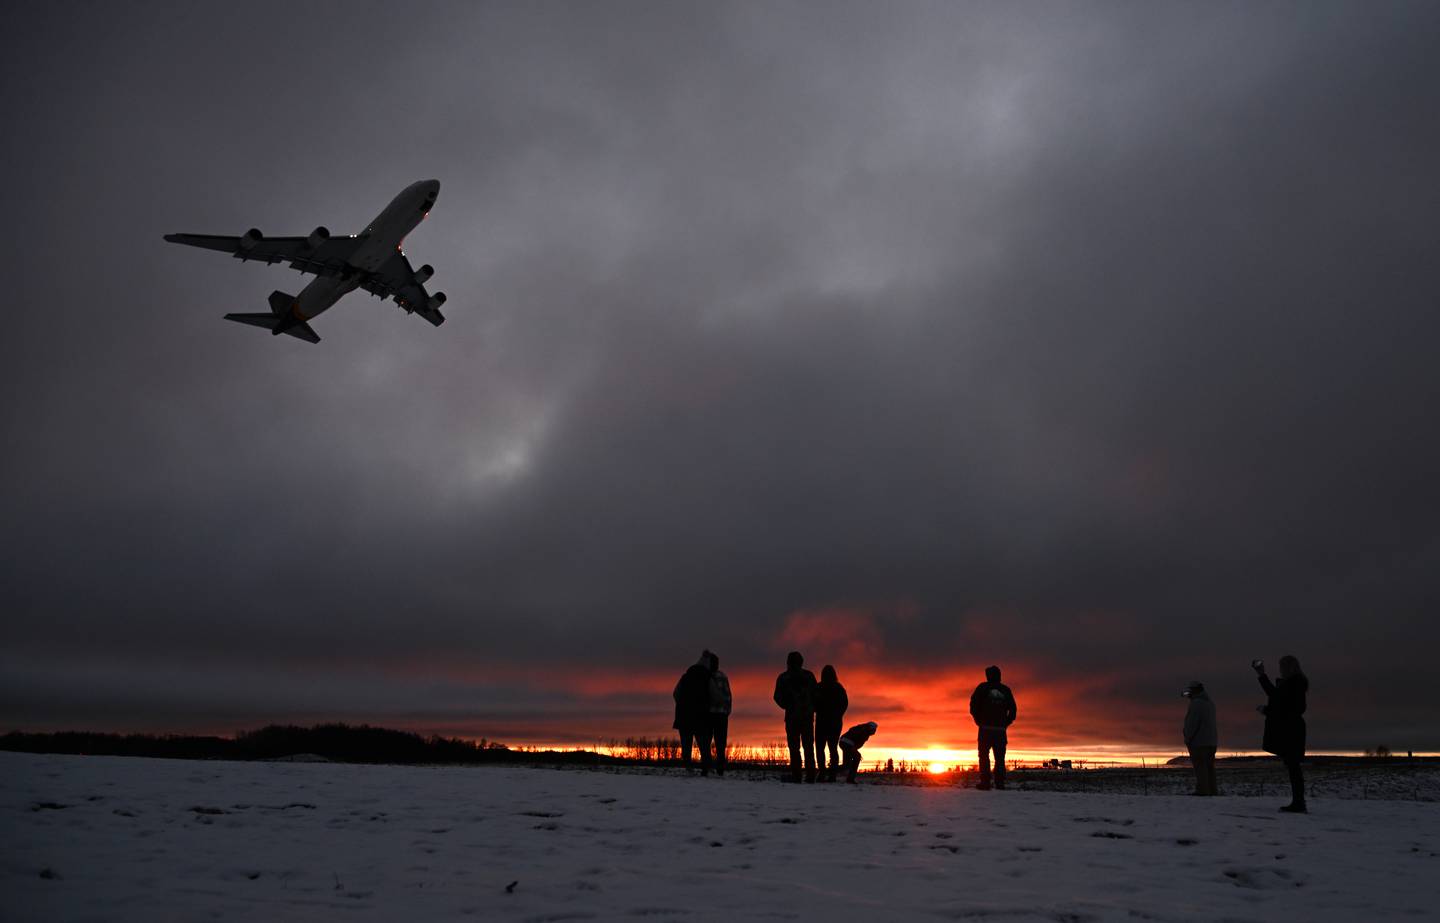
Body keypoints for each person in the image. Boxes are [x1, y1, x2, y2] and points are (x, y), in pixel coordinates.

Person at [1254, 655, 1309, 813]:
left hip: (1292, 730)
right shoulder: (1293, 684)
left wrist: (1267, 710)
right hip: (1290, 729)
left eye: (1282, 666)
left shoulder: (1295, 684)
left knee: (1293, 766)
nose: (1280, 669)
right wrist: (1261, 674)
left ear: (1290, 667)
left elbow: (1285, 705)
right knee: (1292, 766)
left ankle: (1299, 803)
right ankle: (1298, 802)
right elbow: (1279, 701)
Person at [772, 650, 818, 783]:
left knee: (795, 748)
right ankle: (810, 776)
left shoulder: (784, 677)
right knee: (808, 747)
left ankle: (797, 776)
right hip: (806, 717)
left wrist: (787, 706)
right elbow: (816, 694)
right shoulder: (808, 676)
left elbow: (777, 697)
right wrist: (811, 708)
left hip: (793, 718)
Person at [969, 665, 1017, 790]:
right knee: (999, 757)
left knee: (985, 756)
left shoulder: (983, 688)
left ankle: (986, 783)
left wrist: (979, 721)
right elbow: (1013, 710)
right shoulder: (1005, 690)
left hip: (987, 729)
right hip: (998, 730)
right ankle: (999, 783)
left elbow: (973, 705)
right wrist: (1005, 723)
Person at [672, 650, 712, 773]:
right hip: (701, 715)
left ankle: (688, 766)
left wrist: (682, 704)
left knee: (686, 742)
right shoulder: (708, 678)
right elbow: (713, 695)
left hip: (684, 715)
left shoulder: (685, 677)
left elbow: (675, 693)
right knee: (703, 742)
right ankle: (705, 767)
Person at [1182, 680, 1218, 796]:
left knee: (1200, 768)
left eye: (1190, 691)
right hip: (1211, 742)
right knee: (1209, 768)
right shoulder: (1210, 703)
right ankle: (1212, 790)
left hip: (1199, 742)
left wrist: (1187, 737)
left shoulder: (1196, 704)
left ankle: (1203, 791)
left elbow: (1192, 724)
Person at [814, 665, 849, 782]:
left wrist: (836, 715)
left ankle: (823, 773)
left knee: (821, 748)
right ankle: (830, 774)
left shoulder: (819, 687)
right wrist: (837, 715)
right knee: (831, 748)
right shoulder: (838, 688)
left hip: (825, 722)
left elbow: (844, 704)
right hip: (832, 722)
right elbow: (844, 704)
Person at [702, 651, 732, 776]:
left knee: (706, 741)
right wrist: (727, 711)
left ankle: (706, 767)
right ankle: (720, 768)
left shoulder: (704, 676)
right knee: (720, 743)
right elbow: (728, 696)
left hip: (707, 714)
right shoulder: (722, 677)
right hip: (721, 715)